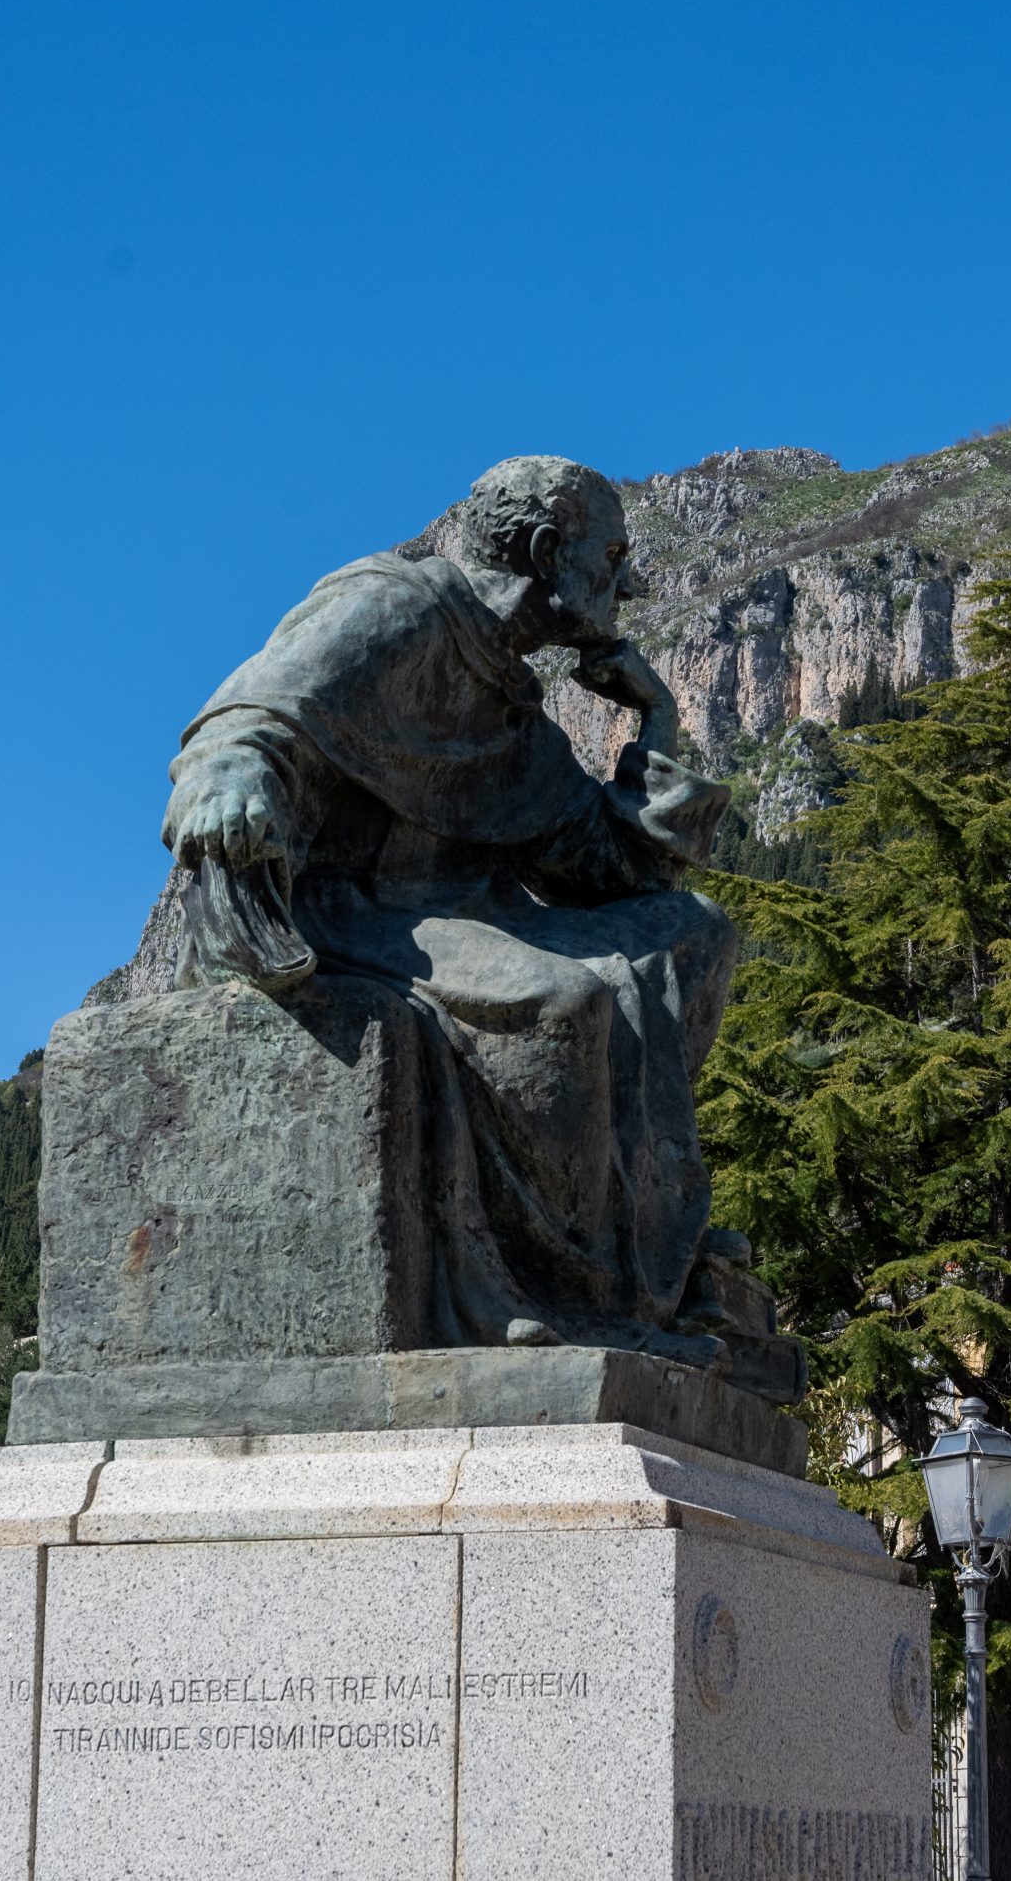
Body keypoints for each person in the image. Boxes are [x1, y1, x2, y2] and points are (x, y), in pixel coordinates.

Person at [161, 455, 741, 1356]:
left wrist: (657, 719)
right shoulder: (392, 608)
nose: (627, 581)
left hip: (465, 913)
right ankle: (565, 1300)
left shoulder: (508, 700)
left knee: (694, 935)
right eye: (611, 556)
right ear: (548, 552)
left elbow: (611, 869)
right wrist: (230, 779)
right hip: (353, 910)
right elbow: (247, 717)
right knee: (566, 1001)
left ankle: (645, 1253)